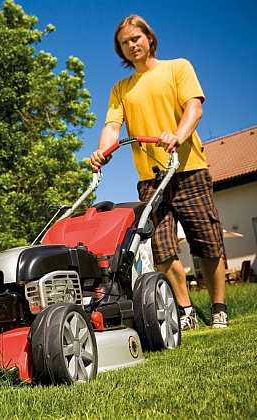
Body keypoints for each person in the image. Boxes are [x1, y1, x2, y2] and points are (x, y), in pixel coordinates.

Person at [89, 15, 228, 329]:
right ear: (120, 50)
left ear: (149, 39)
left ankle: (218, 307)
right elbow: (112, 126)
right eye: (125, 42)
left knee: (207, 242)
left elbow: (195, 107)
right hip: (151, 178)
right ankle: (185, 310)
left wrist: (177, 135)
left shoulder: (177, 67)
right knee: (162, 248)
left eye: (136, 38)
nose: (132, 45)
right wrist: (102, 152)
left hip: (188, 168)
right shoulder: (121, 88)